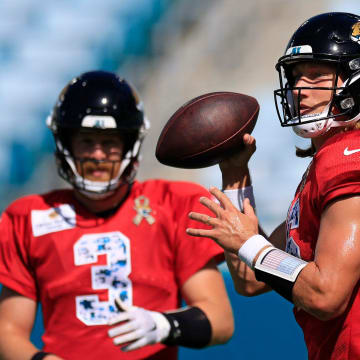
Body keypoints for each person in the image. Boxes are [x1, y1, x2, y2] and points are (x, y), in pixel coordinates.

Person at [0, 71, 234, 360]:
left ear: (129, 144)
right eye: (87, 141)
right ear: (66, 144)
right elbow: (8, 332)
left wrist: (162, 325)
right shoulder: (28, 217)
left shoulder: (172, 204)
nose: (98, 155)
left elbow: (220, 320)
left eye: (109, 142)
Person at [186, 12, 360, 360]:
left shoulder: (346, 156)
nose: (300, 90)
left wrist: (249, 243)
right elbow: (251, 278)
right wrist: (236, 175)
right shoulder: (322, 164)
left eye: (316, 76)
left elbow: (326, 294)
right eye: (296, 77)